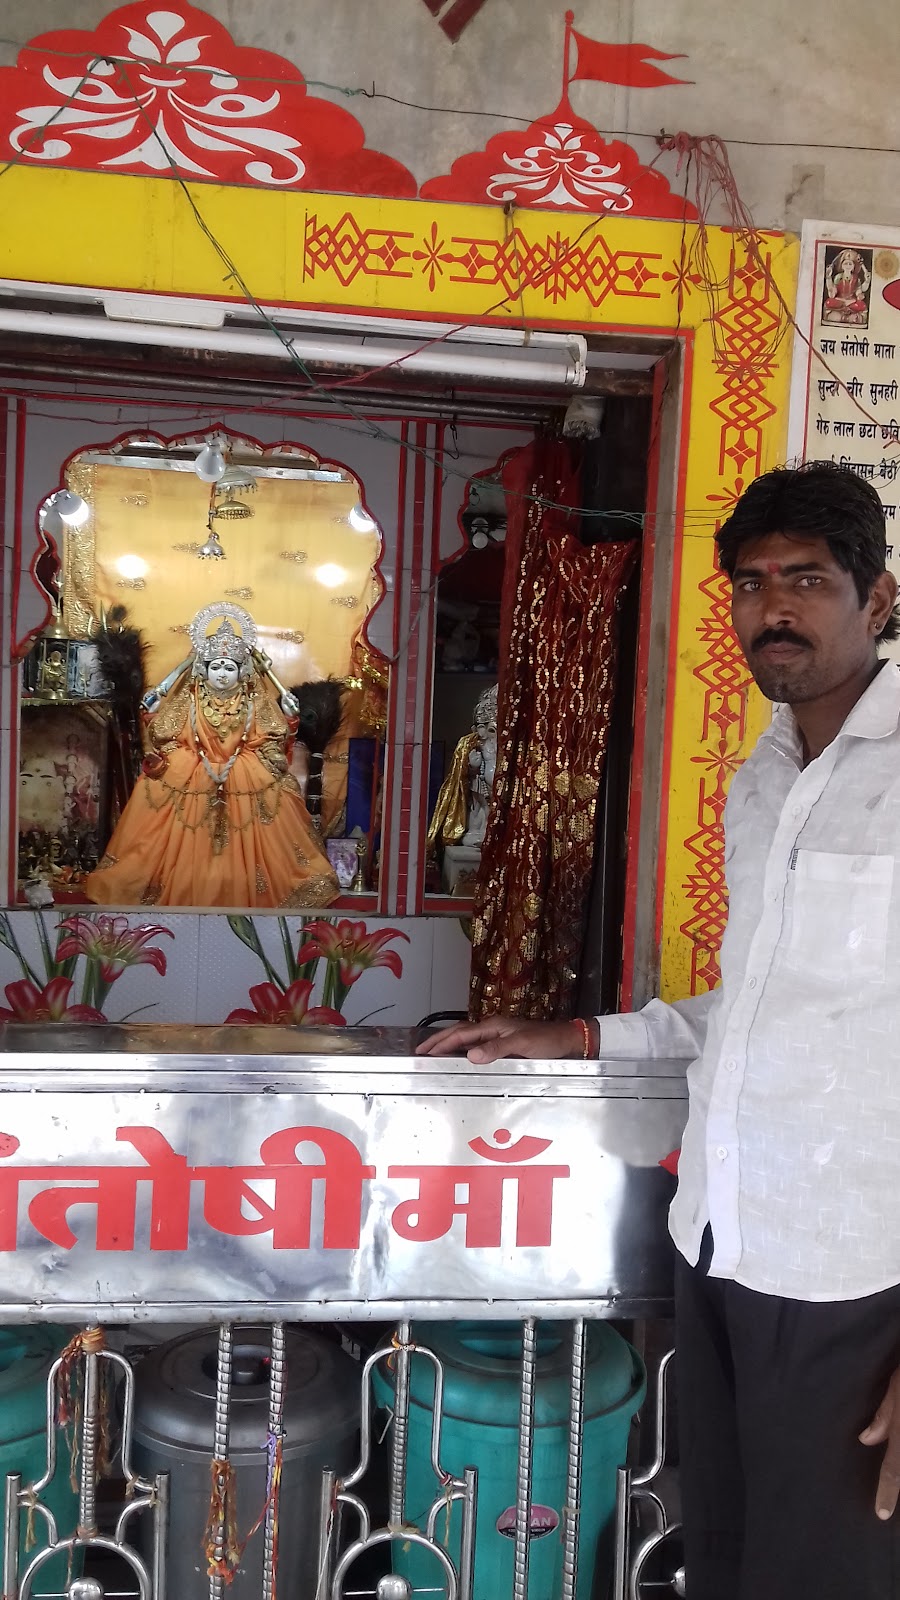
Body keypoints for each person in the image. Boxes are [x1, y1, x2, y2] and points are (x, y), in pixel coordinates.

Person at [420, 462, 900, 1599]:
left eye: (808, 580)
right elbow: (757, 1006)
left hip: (856, 1282)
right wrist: (578, 1037)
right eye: (752, 583)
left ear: (879, 599)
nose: (773, 608)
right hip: (723, 1247)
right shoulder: (766, 777)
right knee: (721, 1563)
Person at [86, 606, 339, 909]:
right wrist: (156, 725)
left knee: (276, 794)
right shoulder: (190, 699)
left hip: (246, 775)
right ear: (203, 669)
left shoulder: (252, 701)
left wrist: (283, 727)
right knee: (156, 791)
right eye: (216, 666)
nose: (221, 673)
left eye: (229, 667)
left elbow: (269, 739)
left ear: (241, 672)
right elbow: (168, 736)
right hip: (191, 772)